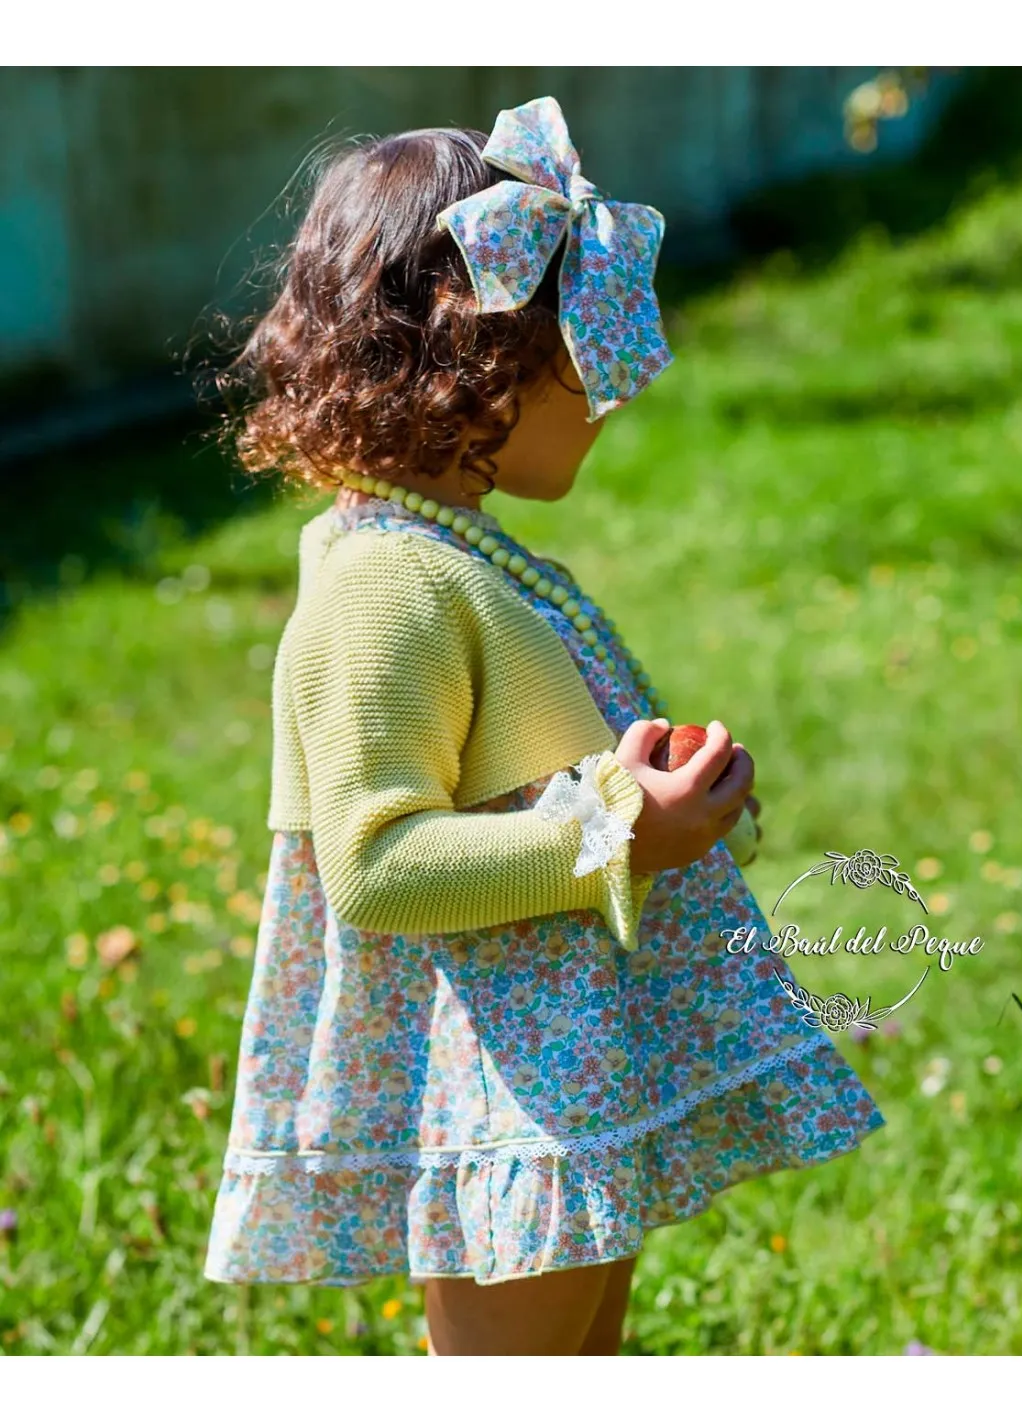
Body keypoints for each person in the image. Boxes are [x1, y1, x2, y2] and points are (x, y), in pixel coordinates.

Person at [201, 96, 885, 1355]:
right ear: (479, 359)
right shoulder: (382, 584)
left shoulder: (459, 557)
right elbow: (375, 865)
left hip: (555, 1067)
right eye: (581, 347)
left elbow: (525, 778)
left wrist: (659, 794)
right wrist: (619, 836)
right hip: (495, 1091)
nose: (608, 393)